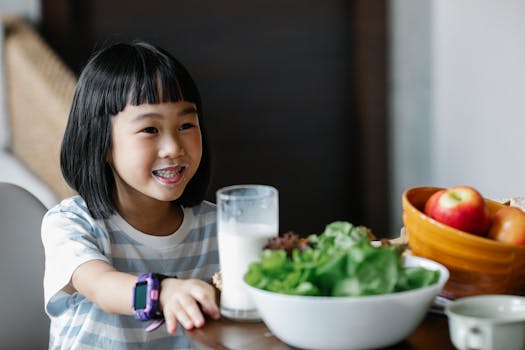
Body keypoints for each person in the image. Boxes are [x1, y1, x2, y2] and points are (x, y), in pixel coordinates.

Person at [41, 41, 220, 349]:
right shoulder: (71, 223)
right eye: (150, 129)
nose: (174, 148)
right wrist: (161, 292)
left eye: (186, 125)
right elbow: (101, 286)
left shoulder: (219, 226)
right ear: (101, 142)